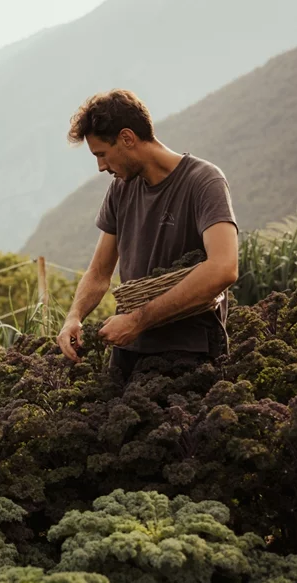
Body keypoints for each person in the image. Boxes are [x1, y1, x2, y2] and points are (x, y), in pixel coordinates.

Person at [55, 89, 239, 383]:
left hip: (191, 353)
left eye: (102, 154)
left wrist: (138, 321)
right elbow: (100, 272)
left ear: (127, 138)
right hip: (127, 351)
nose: (101, 166)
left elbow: (223, 268)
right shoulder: (121, 189)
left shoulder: (204, 182)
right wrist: (74, 316)